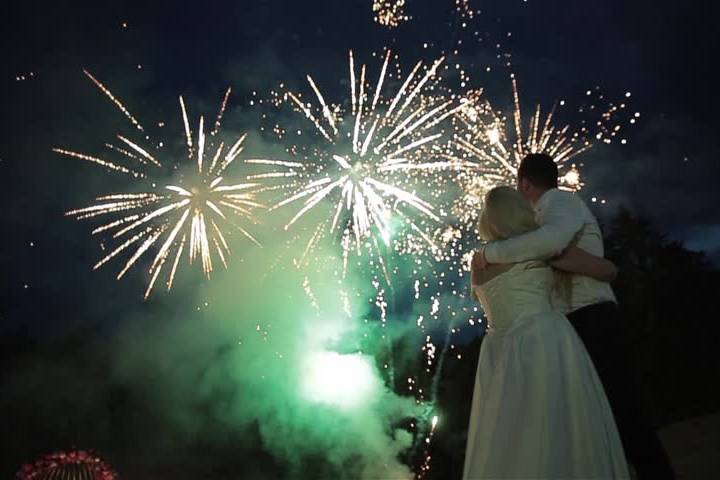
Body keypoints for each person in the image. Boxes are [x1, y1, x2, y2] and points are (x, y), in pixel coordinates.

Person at [475, 153, 675, 479]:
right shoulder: (536, 226)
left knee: (624, 412)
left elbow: (551, 244)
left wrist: (488, 253)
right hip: (569, 324)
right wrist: (606, 268)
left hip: (591, 317)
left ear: (524, 183)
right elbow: (549, 252)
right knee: (592, 420)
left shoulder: (560, 202)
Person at [463, 186, 629, 479]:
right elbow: (605, 270)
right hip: (543, 340)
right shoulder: (537, 251)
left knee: (511, 435)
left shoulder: (478, 265)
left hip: (499, 353)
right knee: (561, 425)